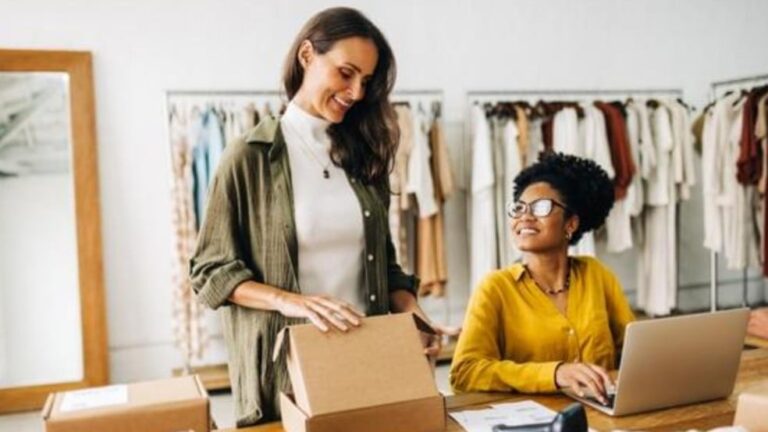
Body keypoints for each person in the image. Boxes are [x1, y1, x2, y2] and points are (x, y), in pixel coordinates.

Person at [190, 7, 444, 427]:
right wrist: (296, 303)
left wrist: (413, 313)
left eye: (366, 81)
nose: (357, 92)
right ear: (307, 55)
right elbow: (209, 271)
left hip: (369, 357)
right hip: (286, 368)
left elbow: (387, 265)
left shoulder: (365, 157)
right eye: (346, 73)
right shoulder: (249, 157)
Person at [450, 153, 636, 404]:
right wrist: (555, 373)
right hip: (534, 421)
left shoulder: (597, 275)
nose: (525, 216)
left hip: (603, 412)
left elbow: (635, 350)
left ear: (570, 223)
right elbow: (464, 372)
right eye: (519, 208)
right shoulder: (495, 288)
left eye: (540, 207)